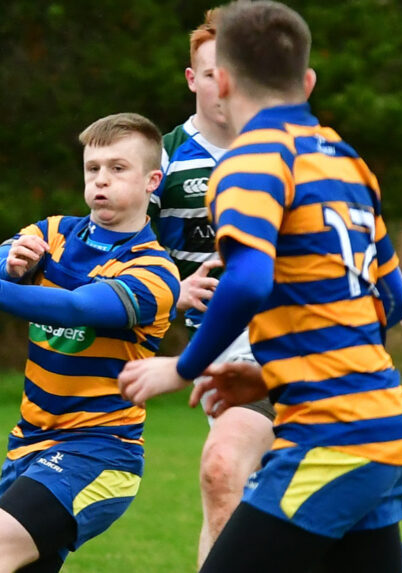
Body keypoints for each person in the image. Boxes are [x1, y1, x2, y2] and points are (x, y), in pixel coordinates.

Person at [117, 3, 402, 572]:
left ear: (221, 81)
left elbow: (249, 281)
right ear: (308, 82)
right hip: (384, 420)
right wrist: (270, 371)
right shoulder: (347, 162)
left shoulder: (251, 162)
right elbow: (372, 286)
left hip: (334, 438)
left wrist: (180, 367)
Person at [0, 113, 181, 573]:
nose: (101, 180)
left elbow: (77, 308)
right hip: (28, 445)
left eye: (118, 168)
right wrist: (6, 269)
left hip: (98, 453)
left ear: (153, 180)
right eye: (92, 168)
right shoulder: (53, 232)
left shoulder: (156, 273)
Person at [150, 8, 276, 565]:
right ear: (191, 79)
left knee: (229, 474)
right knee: (242, 489)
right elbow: (120, 250)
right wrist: (172, 288)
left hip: (302, 345)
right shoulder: (161, 158)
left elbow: (365, 243)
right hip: (221, 356)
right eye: (210, 74)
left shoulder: (291, 151)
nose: (222, 87)